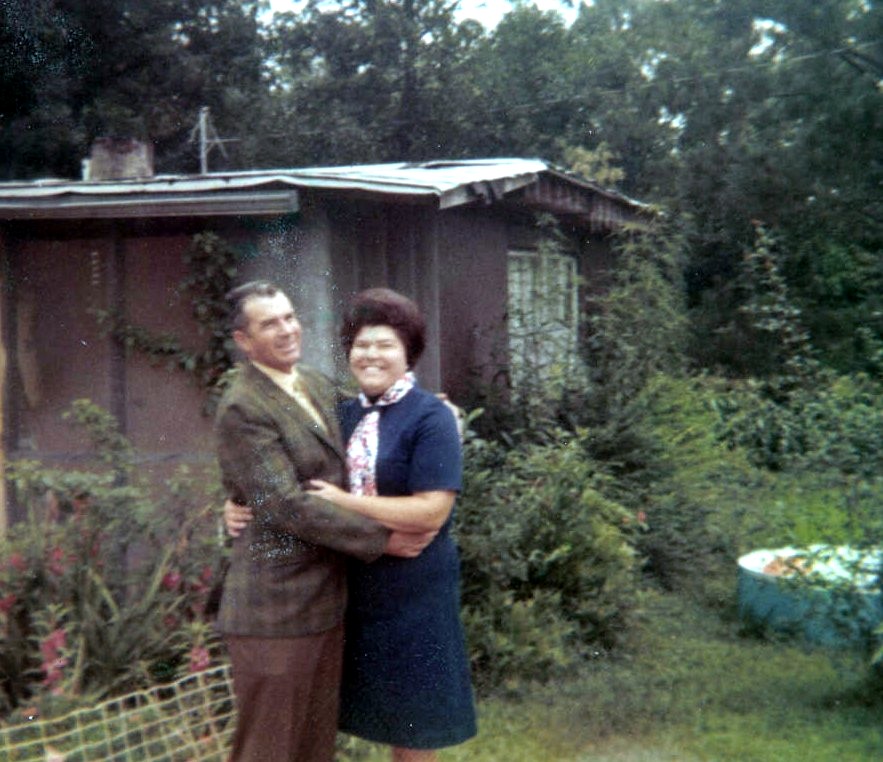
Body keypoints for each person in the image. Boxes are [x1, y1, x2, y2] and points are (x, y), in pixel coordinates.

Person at [226, 288, 477, 762]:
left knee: (411, 728)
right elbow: (282, 485)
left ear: (408, 352)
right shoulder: (322, 409)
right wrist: (238, 500)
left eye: (385, 345)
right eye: (362, 345)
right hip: (344, 589)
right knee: (304, 733)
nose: (372, 355)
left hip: (411, 591)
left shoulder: (421, 415)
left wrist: (346, 502)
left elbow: (431, 511)